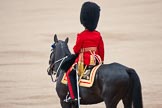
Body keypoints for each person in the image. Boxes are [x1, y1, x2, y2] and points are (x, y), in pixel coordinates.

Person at [65, 1, 104, 102]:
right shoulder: (98, 35)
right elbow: (101, 50)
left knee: (69, 74)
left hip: (84, 61)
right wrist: (101, 62)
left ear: (83, 20)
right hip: (96, 60)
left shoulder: (81, 35)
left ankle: (73, 96)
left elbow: (76, 50)